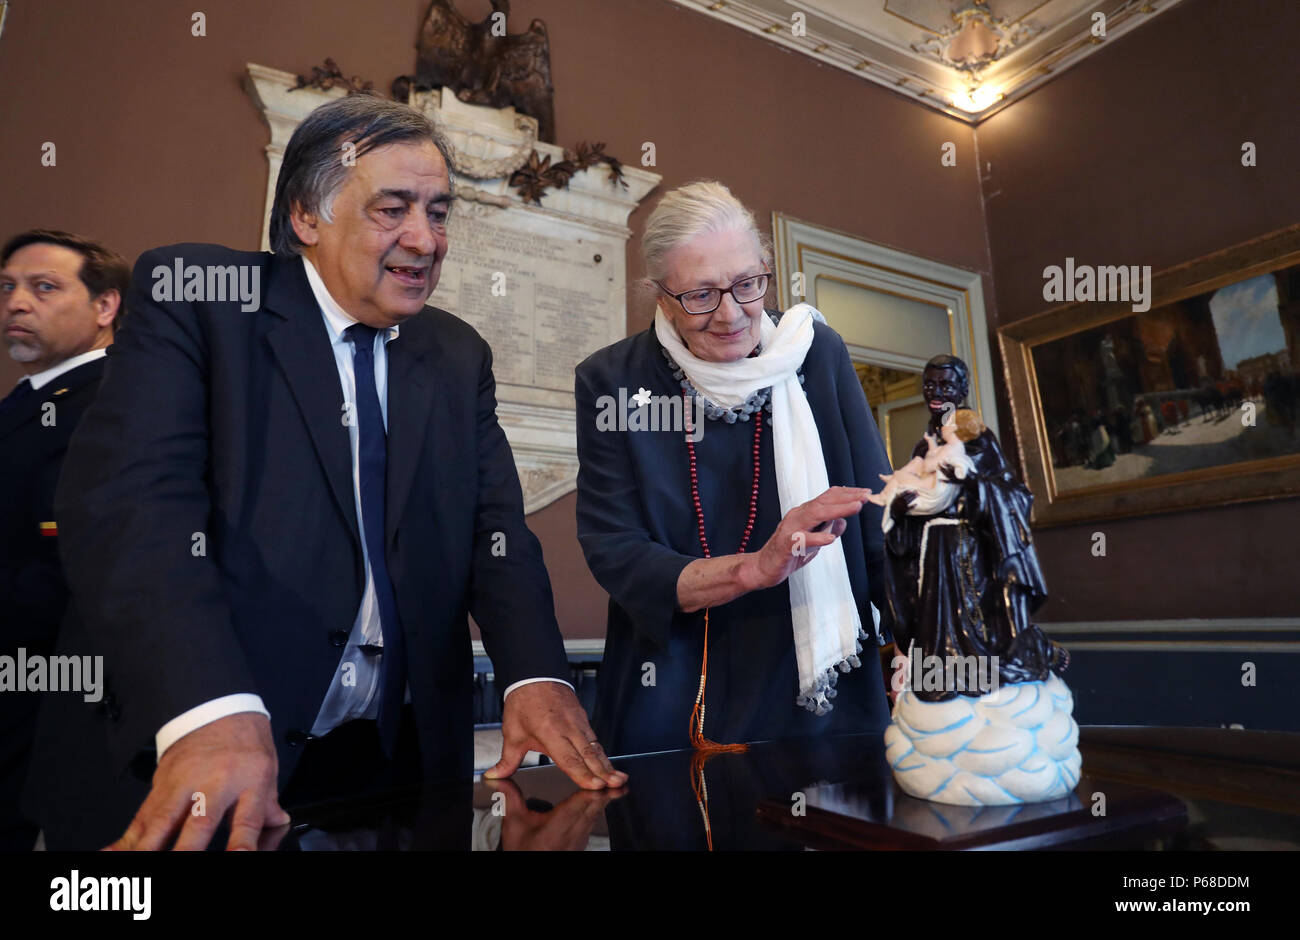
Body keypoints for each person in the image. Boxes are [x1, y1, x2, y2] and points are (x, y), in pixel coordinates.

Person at [24, 94, 623, 852]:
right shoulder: (198, 296)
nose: (425, 238)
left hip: (384, 782)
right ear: (308, 217)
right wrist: (210, 707)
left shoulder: (455, 354)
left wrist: (538, 675)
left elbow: (493, 531)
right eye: (393, 209)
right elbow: (135, 508)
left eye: (439, 213)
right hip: (186, 755)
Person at [574, 181, 892, 757]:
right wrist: (753, 569)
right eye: (700, 295)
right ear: (659, 295)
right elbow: (614, 547)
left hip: (817, 666)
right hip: (672, 679)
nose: (730, 314)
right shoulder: (613, 382)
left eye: (747, 284)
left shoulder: (815, 352)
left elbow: (876, 517)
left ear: (765, 269)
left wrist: (930, 642)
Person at [0, 230, 127, 850]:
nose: (16, 304)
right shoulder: (37, 397)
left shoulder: (108, 402)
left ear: (105, 307)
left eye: (43, 287)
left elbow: (71, 560)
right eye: (7, 288)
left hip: (42, 683)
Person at [869, 354, 1067, 702]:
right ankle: (940, 692)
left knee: (972, 625)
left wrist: (971, 485)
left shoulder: (979, 440)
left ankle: (987, 681)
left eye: (946, 384)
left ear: (961, 389)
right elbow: (910, 503)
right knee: (935, 626)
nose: (936, 391)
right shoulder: (924, 444)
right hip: (932, 553)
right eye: (930, 383)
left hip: (968, 552)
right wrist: (899, 513)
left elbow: (1013, 497)